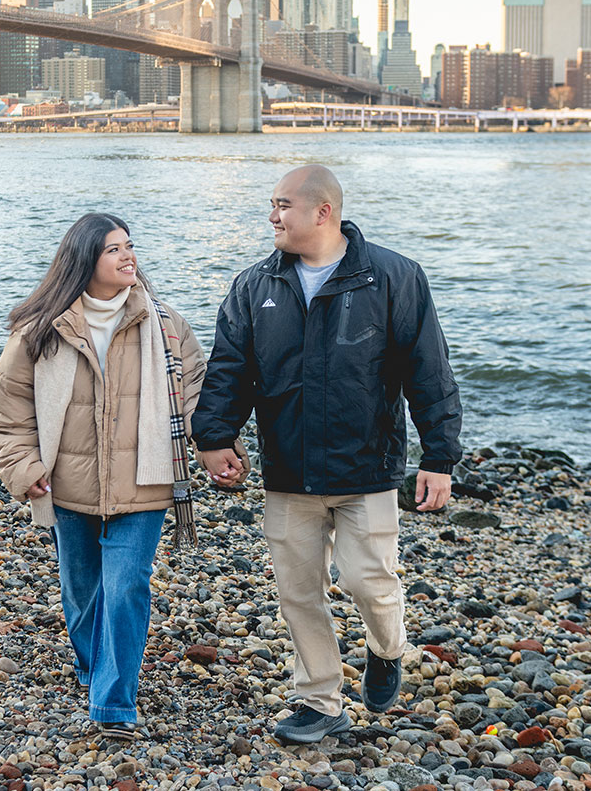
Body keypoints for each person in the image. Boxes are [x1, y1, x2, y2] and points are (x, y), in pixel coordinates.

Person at [192, 165, 462, 745]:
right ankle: (319, 699)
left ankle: (386, 647)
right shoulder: (254, 286)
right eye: (271, 204)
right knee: (298, 592)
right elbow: (230, 370)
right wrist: (213, 437)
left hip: (366, 468)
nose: (272, 216)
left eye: (283, 205)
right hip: (289, 471)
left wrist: (439, 456)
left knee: (371, 581)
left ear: (323, 212)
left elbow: (429, 371)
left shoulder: (393, 277)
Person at [0, 213, 207, 742]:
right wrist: (25, 470)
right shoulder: (41, 332)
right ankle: (94, 670)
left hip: (147, 481)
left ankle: (113, 704)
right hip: (68, 487)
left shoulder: (168, 326)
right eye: (114, 250)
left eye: (130, 245)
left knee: (127, 585)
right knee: (82, 592)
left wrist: (217, 447)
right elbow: (9, 415)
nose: (128, 256)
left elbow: (198, 396)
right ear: (85, 260)